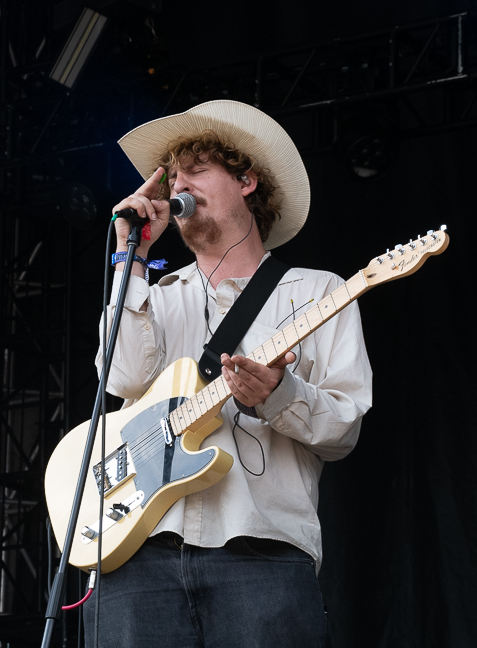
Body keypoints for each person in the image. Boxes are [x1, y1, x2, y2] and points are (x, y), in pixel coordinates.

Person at [86, 100, 372, 647]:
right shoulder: (151, 296)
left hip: (260, 553)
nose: (177, 185)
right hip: (137, 555)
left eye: (195, 170)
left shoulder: (320, 292)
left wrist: (279, 394)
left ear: (246, 181)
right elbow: (121, 380)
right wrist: (131, 257)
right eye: (172, 177)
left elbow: (344, 428)